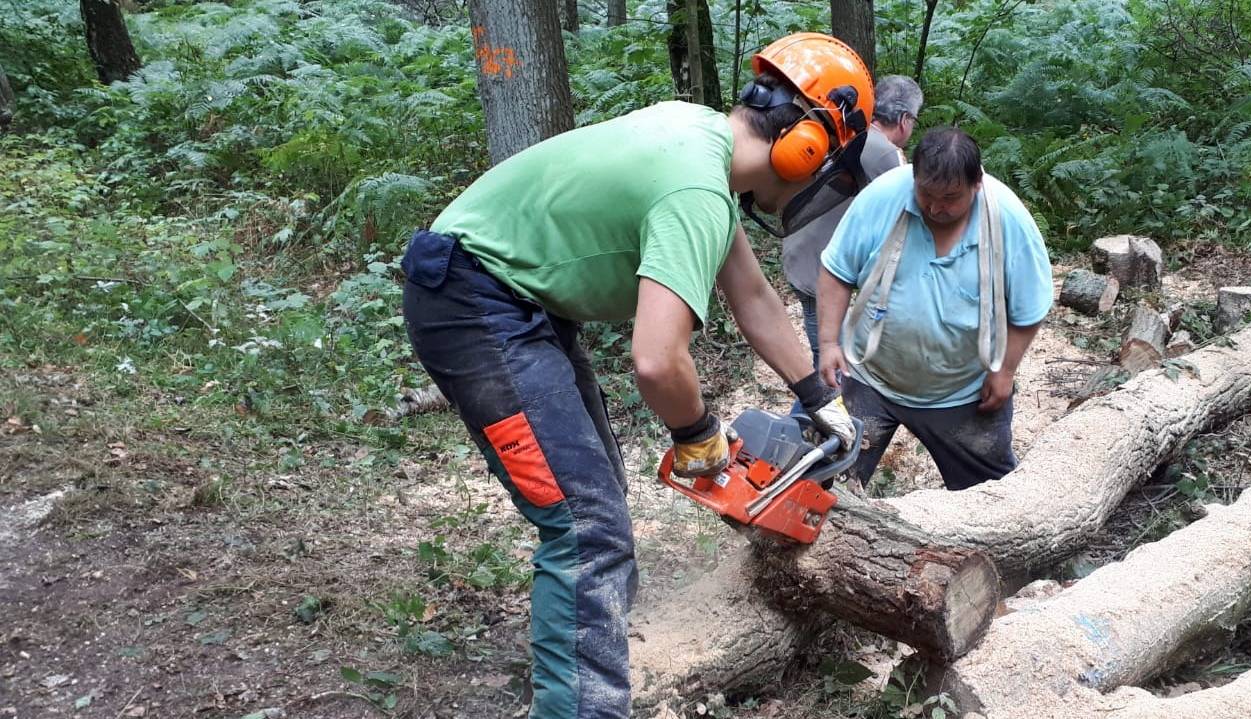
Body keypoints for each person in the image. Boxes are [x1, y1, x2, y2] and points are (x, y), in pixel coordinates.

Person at [401, 33, 869, 719]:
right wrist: (698, 434)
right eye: (822, 162)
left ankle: (588, 667)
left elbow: (755, 301)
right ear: (804, 147)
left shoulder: (696, 140)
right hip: (473, 301)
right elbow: (655, 360)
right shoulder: (696, 189)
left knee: (597, 502)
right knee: (585, 526)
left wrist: (820, 399)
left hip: (513, 299)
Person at [815, 127, 1053, 491]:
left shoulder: (1007, 218)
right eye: (926, 193)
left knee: (990, 499)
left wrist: (1004, 370)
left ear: (977, 184)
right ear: (915, 177)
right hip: (869, 373)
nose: (936, 207)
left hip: (964, 391)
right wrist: (830, 343)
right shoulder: (883, 197)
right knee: (823, 483)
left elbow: (1029, 307)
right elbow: (837, 271)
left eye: (950, 197)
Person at [781, 75, 923, 366]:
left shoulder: (849, 133)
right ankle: (820, 406)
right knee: (833, 362)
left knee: (830, 351)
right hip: (819, 268)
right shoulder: (886, 154)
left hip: (799, 251)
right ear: (905, 119)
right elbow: (912, 216)